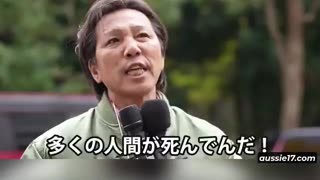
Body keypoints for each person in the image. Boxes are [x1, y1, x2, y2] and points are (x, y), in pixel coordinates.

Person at [21, 0, 241, 159]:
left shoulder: (210, 143)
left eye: (142, 36)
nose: (133, 48)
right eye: (114, 40)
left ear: (162, 55)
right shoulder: (50, 152)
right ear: (94, 68)